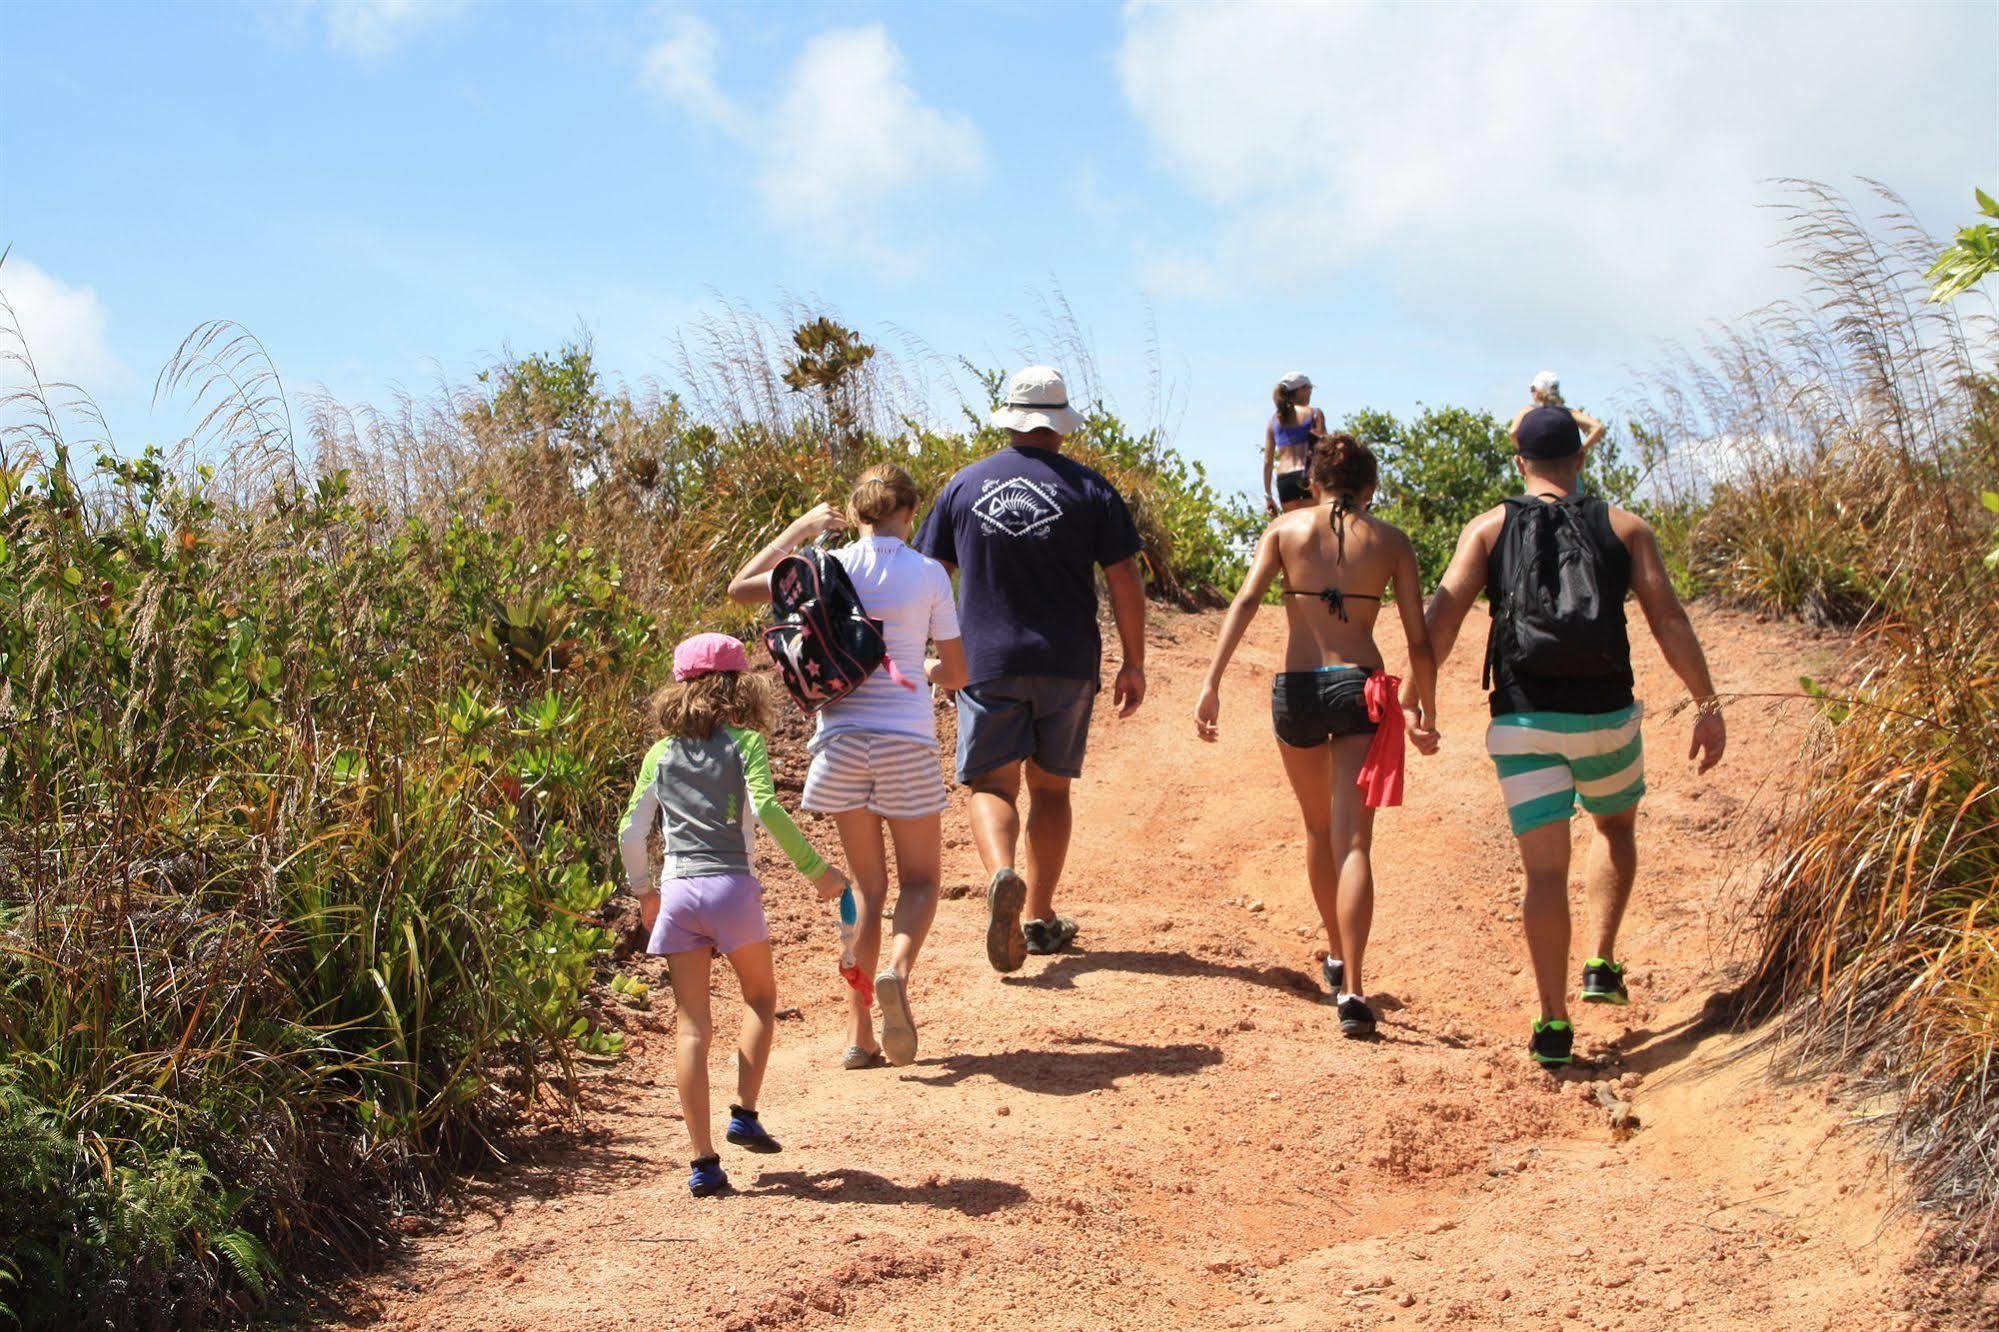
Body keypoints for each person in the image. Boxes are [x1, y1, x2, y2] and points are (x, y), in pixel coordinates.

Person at [1417, 392, 1726, 1068]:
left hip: (1523, 717)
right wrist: (1705, 701)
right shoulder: (1626, 526)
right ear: (1581, 457)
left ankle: (1553, 1024)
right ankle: (1601, 962)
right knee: (1613, 828)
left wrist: (1419, 694)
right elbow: (1667, 620)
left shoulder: (1487, 528)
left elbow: (1440, 616)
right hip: (1606, 713)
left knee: (1544, 873)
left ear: (1520, 458)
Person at [1195, 435, 1438, 1037]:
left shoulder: (1285, 531)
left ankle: (1333, 951)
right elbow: (1418, 638)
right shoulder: (1391, 542)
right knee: (1354, 843)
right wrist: (1422, 707)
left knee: (1316, 827)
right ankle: (1354, 989)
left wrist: (1211, 681)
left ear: (1312, 483)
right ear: (1371, 486)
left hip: (1298, 688)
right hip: (1359, 686)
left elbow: (1247, 600)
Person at [727, 465, 969, 1070]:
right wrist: (927, 673)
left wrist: (799, 529)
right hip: (906, 742)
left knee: (866, 888)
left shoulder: (824, 565)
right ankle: (895, 970)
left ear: (858, 513)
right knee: (920, 882)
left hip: (838, 745)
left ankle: (860, 1037)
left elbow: (740, 588)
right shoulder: (930, 575)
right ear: (911, 512)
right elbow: (958, 673)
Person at [913, 364, 1147, 971]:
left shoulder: (964, 487)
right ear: (1061, 425)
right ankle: (1040, 917)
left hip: (985, 661)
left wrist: (931, 655)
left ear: (1010, 421)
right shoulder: (1091, 490)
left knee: (992, 784)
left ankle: (1003, 876)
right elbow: (1124, 576)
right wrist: (1134, 661)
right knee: (1050, 788)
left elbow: (929, 575)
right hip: (1067, 662)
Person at [617, 633, 849, 1197]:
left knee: (693, 1025)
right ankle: (744, 1111)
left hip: (678, 892)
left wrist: (645, 891)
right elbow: (767, 808)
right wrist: (817, 871)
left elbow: (630, 830)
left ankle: (703, 1163)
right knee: (760, 999)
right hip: (732, 889)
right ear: (740, 685)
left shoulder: (660, 753)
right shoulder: (745, 743)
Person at [1265, 370, 1328, 515]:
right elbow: (1326, 449)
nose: (1310, 393)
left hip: (1284, 480)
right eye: (1309, 389)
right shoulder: (1314, 413)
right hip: (1308, 475)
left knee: (1293, 525)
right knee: (1317, 527)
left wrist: (1268, 496)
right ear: (1300, 390)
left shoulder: (1273, 421)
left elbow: (1268, 461)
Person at [1509, 370, 1606, 457]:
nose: (1532, 393)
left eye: (1533, 389)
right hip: (1567, 469)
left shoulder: (1528, 410)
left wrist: (1526, 453)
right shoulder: (1568, 412)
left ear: (1539, 391)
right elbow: (1599, 428)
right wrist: (1580, 450)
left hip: (1538, 468)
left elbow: (1513, 432)